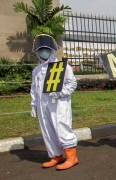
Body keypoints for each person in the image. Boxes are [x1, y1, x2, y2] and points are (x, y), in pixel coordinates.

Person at [30, 34, 79, 170]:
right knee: (47, 130)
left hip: (58, 104)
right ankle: (56, 156)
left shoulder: (61, 67)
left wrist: (60, 92)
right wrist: (34, 104)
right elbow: (34, 88)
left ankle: (71, 157)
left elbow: (72, 83)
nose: (43, 52)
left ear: (51, 50)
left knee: (62, 127)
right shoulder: (37, 70)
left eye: (45, 49)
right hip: (43, 104)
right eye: (40, 50)